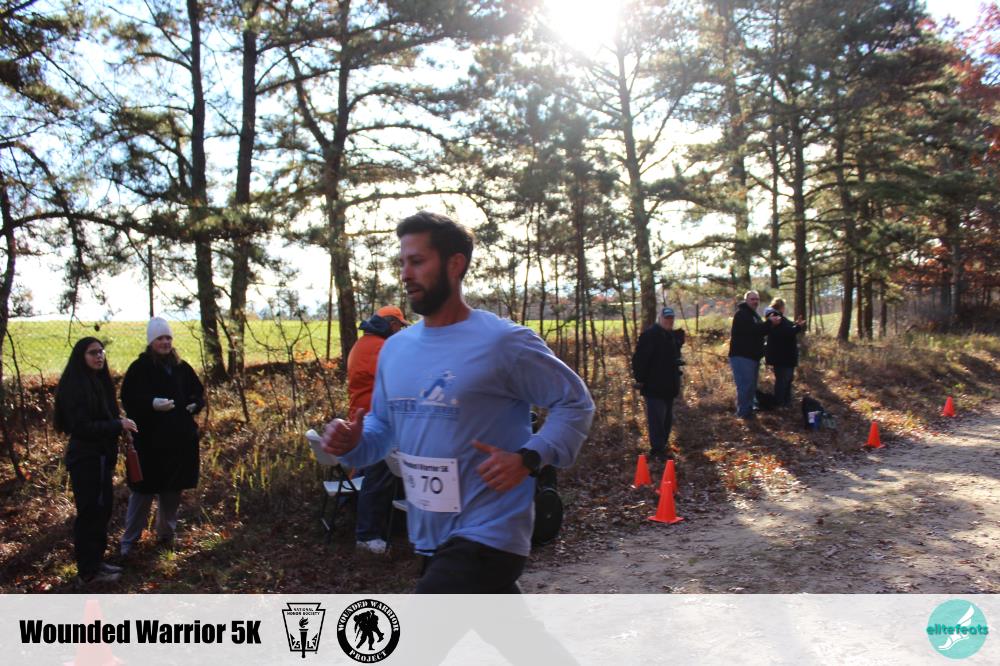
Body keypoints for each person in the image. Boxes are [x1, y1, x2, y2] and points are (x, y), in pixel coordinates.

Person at [322, 211, 594, 593]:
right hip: (432, 534)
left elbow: (575, 402)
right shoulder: (395, 349)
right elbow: (382, 430)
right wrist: (353, 443)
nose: (405, 274)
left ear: (455, 264)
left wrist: (531, 457)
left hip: (490, 532)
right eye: (403, 263)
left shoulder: (502, 342)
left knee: (423, 628)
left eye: (417, 261)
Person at [54, 337, 137, 585]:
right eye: (93, 352)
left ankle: (96, 562)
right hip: (86, 458)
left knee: (102, 511)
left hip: (101, 456)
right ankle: (88, 572)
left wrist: (118, 426)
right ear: (81, 357)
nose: (99, 356)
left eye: (101, 351)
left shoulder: (98, 382)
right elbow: (81, 427)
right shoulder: (75, 386)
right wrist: (117, 425)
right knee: (90, 513)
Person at [119, 318, 205, 556]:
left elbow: (197, 392)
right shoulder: (139, 368)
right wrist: (151, 404)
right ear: (151, 342)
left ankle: (166, 536)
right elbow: (129, 399)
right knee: (142, 492)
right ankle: (129, 542)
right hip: (149, 443)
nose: (165, 342)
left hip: (179, 442)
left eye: (168, 338)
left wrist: (195, 404)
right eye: (160, 338)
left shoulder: (181, 367)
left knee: (172, 491)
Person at [347, 305, 408, 555]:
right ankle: (367, 535)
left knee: (374, 476)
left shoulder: (362, 344)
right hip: (375, 424)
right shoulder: (380, 348)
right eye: (399, 326)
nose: (400, 332)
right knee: (379, 478)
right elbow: (401, 380)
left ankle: (387, 526)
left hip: (364, 420)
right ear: (391, 324)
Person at [631, 307, 685, 460]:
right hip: (654, 386)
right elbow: (639, 360)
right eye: (666, 318)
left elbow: (674, 358)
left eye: (671, 318)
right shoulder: (650, 335)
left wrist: (679, 343)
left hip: (670, 385)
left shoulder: (671, 336)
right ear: (659, 319)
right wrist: (640, 379)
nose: (669, 321)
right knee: (657, 419)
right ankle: (657, 449)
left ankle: (663, 445)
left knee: (667, 419)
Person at [728, 290, 778, 420]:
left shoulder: (754, 316)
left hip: (753, 357)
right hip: (742, 356)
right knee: (745, 386)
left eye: (757, 299)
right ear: (746, 301)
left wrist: (770, 325)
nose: (755, 301)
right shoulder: (742, 314)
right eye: (752, 299)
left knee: (751, 387)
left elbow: (760, 332)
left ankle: (749, 411)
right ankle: (743, 414)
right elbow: (753, 331)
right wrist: (769, 323)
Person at [764, 298, 805, 407]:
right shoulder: (775, 316)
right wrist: (798, 327)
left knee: (787, 380)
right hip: (782, 357)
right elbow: (785, 332)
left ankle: (786, 403)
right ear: (781, 307)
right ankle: (780, 404)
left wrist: (796, 325)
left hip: (785, 356)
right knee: (783, 381)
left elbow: (788, 327)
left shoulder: (779, 317)